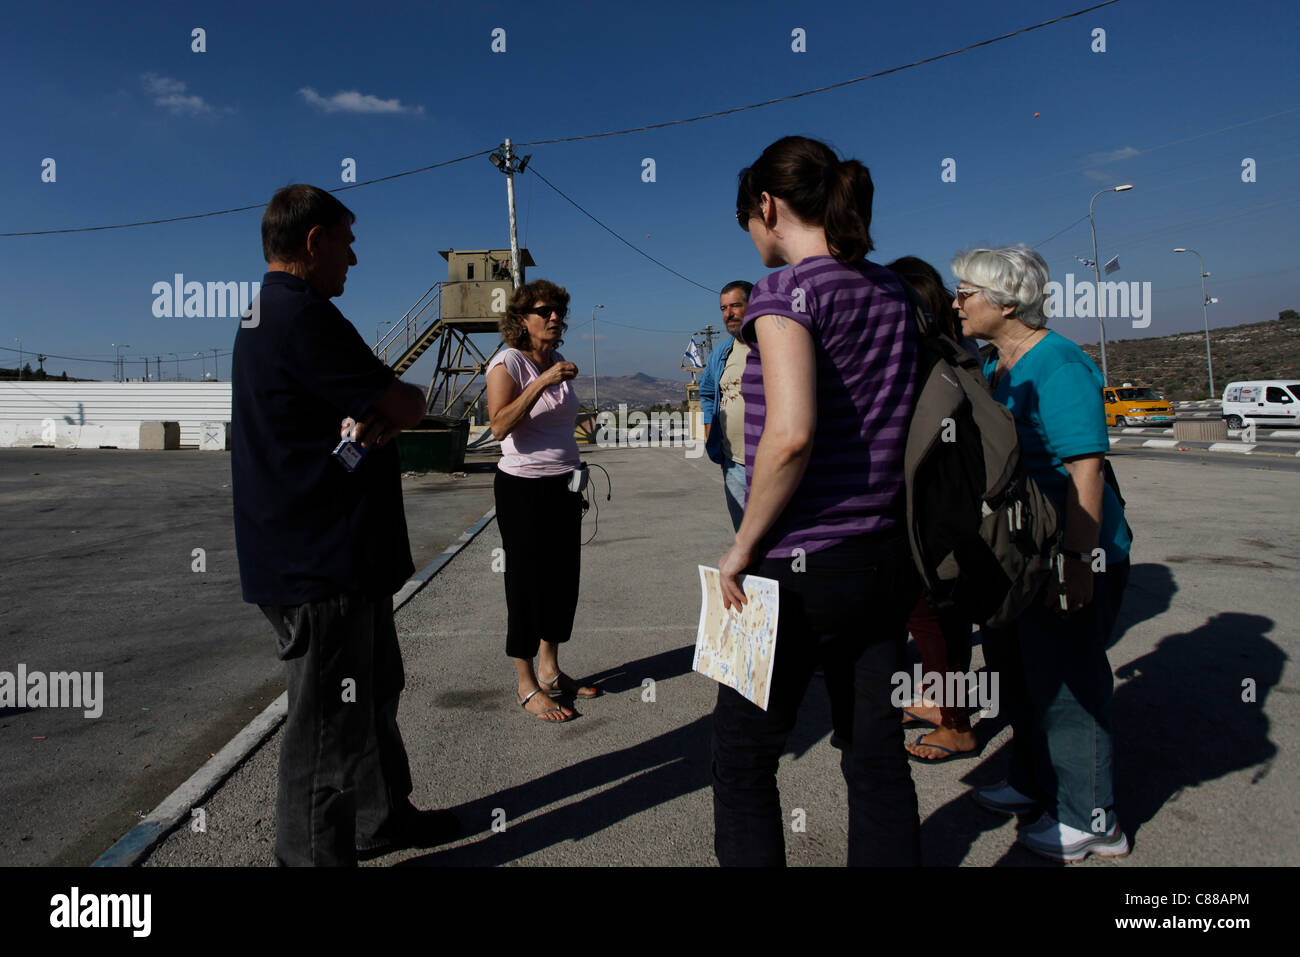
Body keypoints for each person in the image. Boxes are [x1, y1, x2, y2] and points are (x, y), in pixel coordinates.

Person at [232, 184, 459, 866]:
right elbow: (407, 401)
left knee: (374, 690)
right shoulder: (302, 316)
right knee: (328, 727)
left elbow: (358, 413)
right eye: (348, 240)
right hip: (321, 563)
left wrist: (379, 416)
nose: (354, 258)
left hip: (335, 557)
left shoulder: (262, 314)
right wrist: (396, 408)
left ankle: (381, 815)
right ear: (313, 241)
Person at [713, 135, 921, 866]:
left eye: (748, 219)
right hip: (883, 558)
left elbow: (792, 434)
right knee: (874, 754)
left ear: (766, 206)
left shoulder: (783, 293)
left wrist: (740, 549)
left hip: (793, 565)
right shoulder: (891, 289)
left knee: (741, 758)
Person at [952, 244, 1132, 862]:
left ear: (1005, 302)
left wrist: (1080, 563)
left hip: (1072, 550)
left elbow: (1086, 471)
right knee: (1029, 677)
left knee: (1070, 685)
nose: (957, 303)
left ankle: (1092, 818)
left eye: (966, 293)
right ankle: (1032, 782)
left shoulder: (1059, 365)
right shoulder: (1002, 366)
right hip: (1028, 552)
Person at [486, 278, 599, 722]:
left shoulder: (557, 361)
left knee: (562, 579)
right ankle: (525, 682)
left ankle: (551, 670)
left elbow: (564, 423)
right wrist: (542, 382)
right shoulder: (508, 363)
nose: (554, 317)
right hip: (523, 489)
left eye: (557, 310)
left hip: (565, 484)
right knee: (526, 582)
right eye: (543, 310)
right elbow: (499, 426)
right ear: (520, 319)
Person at [884, 256, 980, 761]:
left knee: (932, 616)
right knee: (925, 615)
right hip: (940, 505)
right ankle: (934, 705)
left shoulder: (932, 359)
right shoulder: (957, 351)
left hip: (932, 510)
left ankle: (957, 723)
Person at [698, 280, 754, 530]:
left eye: (735, 306)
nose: (728, 314)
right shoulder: (721, 354)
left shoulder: (773, 347)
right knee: (743, 536)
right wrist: (709, 425)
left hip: (770, 463)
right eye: (723, 308)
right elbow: (708, 392)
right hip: (733, 463)